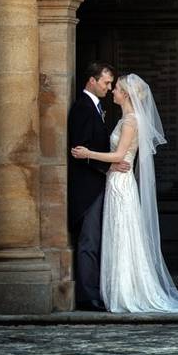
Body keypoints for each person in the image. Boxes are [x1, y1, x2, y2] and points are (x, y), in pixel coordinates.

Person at [71, 73, 178, 313]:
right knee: (117, 235)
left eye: (116, 88)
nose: (112, 92)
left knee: (122, 235)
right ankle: (116, 291)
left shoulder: (131, 121)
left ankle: (125, 292)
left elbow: (120, 157)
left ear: (126, 94)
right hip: (115, 180)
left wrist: (88, 153)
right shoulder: (126, 119)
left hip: (120, 183)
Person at [67, 61, 130, 311]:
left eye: (111, 84)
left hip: (100, 184)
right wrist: (109, 166)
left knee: (96, 240)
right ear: (91, 81)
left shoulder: (97, 106)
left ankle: (97, 290)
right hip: (87, 189)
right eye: (106, 82)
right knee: (89, 241)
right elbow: (78, 150)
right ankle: (87, 296)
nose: (109, 87)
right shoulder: (83, 107)